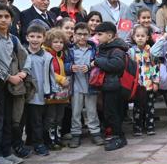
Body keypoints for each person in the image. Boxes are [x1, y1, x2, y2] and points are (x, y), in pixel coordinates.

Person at [0, 4, 29, 164]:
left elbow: (26, 57)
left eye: (6, 17)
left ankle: (7, 151)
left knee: (9, 119)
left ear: (11, 20)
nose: (3, 20)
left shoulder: (14, 39)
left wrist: (23, 73)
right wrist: (8, 77)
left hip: (13, 84)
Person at [93, 21, 131, 151]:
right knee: (110, 112)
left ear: (109, 35)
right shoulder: (107, 47)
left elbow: (116, 65)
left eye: (100, 34)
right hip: (109, 85)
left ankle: (119, 137)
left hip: (114, 86)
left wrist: (97, 61)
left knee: (113, 112)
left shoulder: (116, 49)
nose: (97, 37)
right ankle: (115, 135)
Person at [67, 22, 103, 147]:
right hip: (76, 85)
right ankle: (75, 134)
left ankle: (95, 133)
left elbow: (98, 62)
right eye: (79, 34)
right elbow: (65, 64)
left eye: (85, 34)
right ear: (74, 35)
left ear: (89, 34)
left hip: (90, 85)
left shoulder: (94, 49)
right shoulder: (70, 50)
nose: (82, 37)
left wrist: (89, 66)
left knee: (92, 111)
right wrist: (71, 67)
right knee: (75, 112)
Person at [24, 25, 52, 156]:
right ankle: (25, 142)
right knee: (21, 120)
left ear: (43, 39)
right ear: (27, 37)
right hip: (22, 93)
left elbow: (50, 75)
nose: (35, 40)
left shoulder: (46, 56)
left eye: (38, 37)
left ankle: (38, 143)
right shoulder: (22, 53)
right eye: (32, 36)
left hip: (38, 93)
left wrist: (50, 90)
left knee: (37, 121)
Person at [128, 25, 160, 137]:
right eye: (138, 36)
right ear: (133, 37)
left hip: (149, 84)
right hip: (137, 85)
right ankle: (137, 127)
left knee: (149, 106)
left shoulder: (151, 51)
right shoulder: (131, 52)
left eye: (143, 36)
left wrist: (156, 82)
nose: (140, 38)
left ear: (147, 37)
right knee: (137, 107)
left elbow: (155, 67)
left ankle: (150, 126)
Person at [43, 28, 71, 151]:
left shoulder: (60, 55)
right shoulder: (46, 54)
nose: (58, 44)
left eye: (61, 42)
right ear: (49, 42)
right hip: (52, 92)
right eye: (55, 42)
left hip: (62, 93)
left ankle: (57, 138)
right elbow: (48, 72)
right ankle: (50, 139)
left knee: (59, 116)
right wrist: (61, 79)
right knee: (51, 117)